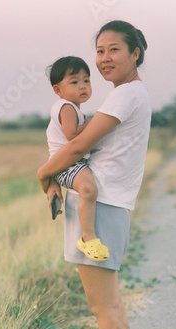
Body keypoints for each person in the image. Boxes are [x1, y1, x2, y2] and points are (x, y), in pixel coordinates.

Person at [37, 20, 150, 329]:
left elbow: (80, 144)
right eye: (100, 51)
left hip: (103, 206)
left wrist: (42, 174)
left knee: (106, 307)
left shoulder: (124, 96)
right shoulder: (127, 94)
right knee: (106, 304)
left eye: (114, 49)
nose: (104, 58)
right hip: (102, 203)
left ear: (135, 53)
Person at [45, 56, 109, 261]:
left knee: (90, 189)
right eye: (74, 82)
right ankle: (88, 238)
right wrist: (93, 123)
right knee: (88, 190)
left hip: (71, 162)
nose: (82, 86)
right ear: (58, 90)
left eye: (86, 81)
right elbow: (72, 136)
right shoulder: (66, 107)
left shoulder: (71, 107)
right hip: (66, 164)